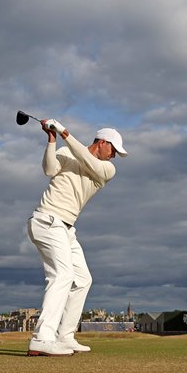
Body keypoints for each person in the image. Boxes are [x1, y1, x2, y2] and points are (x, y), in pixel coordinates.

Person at [26, 118, 127, 357]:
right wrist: (52, 141)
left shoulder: (107, 170)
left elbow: (85, 157)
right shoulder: (66, 151)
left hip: (66, 229)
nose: (113, 156)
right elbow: (50, 170)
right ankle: (42, 338)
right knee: (62, 275)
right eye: (113, 149)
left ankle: (65, 336)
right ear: (102, 143)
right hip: (47, 220)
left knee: (82, 280)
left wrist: (63, 132)